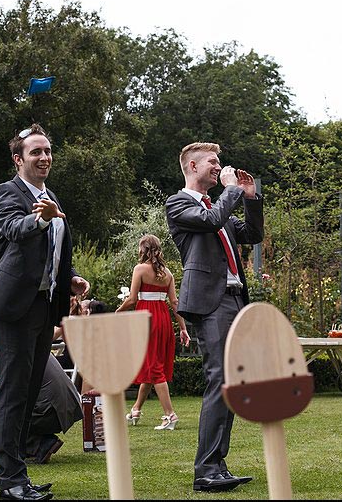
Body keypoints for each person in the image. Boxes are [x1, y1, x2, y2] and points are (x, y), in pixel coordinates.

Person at [0, 123, 89, 501]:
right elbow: (12, 229)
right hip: (13, 307)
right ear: (18, 158)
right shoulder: (8, 191)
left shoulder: (51, 195)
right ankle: (10, 481)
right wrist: (44, 218)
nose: (44, 157)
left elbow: (52, 252)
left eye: (47, 151)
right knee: (13, 393)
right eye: (35, 152)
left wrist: (70, 277)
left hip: (44, 306)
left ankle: (15, 472)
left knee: (26, 391)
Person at [165, 142, 263, 492]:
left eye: (218, 162)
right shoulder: (179, 204)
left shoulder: (216, 208)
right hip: (211, 302)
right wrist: (232, 189)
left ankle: (217, 466)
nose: (218, 166)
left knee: (232, 382)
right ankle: (205, 469)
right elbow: (211, 221)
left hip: (235, 300)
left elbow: (252, 235)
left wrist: (250, 197)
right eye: (212, 162)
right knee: (220, 377)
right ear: (192, 165)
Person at [0, 316, 82, 467]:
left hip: (49, 412)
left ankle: (41, 445)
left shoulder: (0, 355)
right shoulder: (28, 342)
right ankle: (39, 442)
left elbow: (4, 407)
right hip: (68, 408)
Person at [116, 234, 190, 430]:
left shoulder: (139, 269)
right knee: (152, 364)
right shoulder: (168, 274)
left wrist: (118, 311)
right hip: (163, 319)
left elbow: (132, 299)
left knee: (154, 367)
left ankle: (170, 415)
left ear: (143, 250)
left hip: (146, 319)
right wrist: (182, 328)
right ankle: (136, 410)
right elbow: (174, 303)